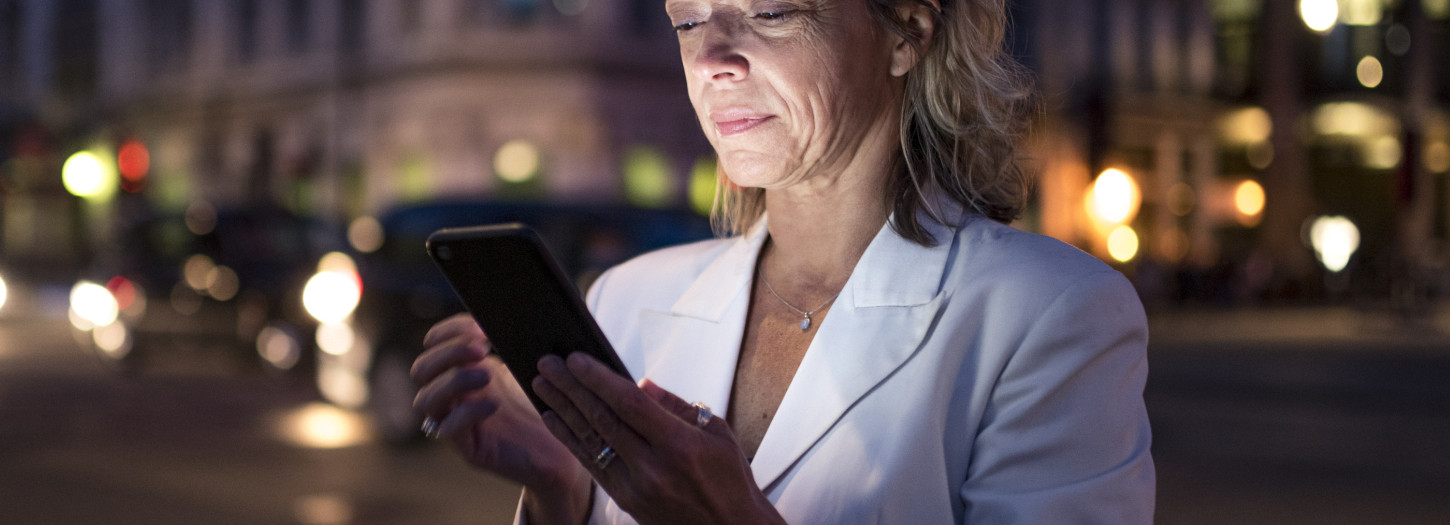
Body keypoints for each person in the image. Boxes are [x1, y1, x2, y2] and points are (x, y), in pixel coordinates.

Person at [411, 0, 1154, 523]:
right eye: (688, 21)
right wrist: (560, 491)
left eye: (771, 13)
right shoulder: (624, 300)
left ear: (907, 32)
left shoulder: (1053, 316)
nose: (712, 60)